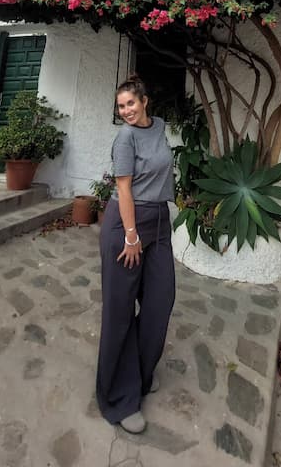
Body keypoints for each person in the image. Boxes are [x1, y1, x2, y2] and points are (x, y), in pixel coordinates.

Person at [96, 74, 176, 434]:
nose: (126, 110)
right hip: (127, 226)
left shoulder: (158, 127)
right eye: (121, 106)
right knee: (120, 310)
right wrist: (131, 237)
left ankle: (141, 374)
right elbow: (123, 190)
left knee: (161, 301)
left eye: (130, 103)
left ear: (145, 102)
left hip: (158, 223)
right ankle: (117, 397)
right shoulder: (125, 138)